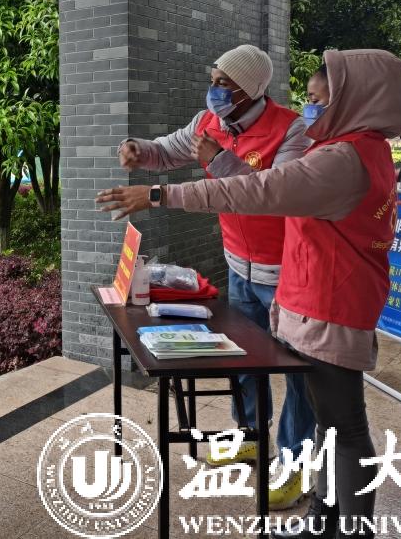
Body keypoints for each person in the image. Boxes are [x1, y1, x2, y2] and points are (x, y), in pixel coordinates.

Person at [98, 49, 401, 539]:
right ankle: (321, 519)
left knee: (341, 424)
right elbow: (170, 149)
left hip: (327, 301)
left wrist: (161, 193)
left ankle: (325, 501)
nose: (311, 109)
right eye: (309, 99)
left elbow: (260, 193)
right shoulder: (346, 149)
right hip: (304, 292)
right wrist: (139, 149)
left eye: (319, 100)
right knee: (326, 418)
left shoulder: (334, 156)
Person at [118, 44, 315, 510]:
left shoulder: (292, 129)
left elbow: (277, 195)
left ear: (251, 89)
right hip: (239, 265)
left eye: (225, 83)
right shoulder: (208, 122)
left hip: (287, 272)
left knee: (299, 372)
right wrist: (139, 150)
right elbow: (168, 150)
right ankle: (249, 436)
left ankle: (296, 464)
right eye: (214, 80)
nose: (215, 90)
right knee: (243, 357)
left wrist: (221, 160)